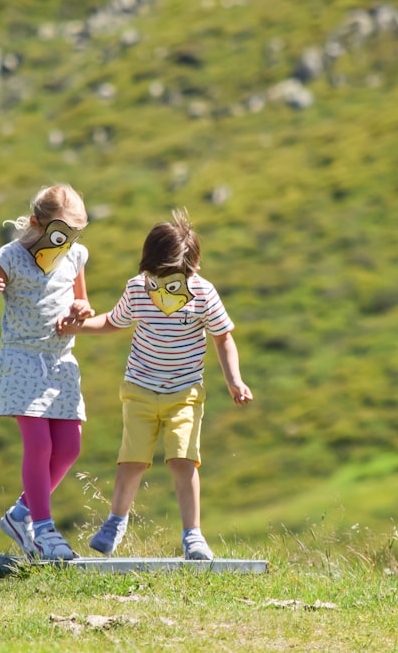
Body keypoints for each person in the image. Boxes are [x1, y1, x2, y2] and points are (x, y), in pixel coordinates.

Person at [57, 208, 252, 560]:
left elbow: (223, 337)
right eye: (157, 277)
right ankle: (116, 522)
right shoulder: (137, 289)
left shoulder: (203, 294)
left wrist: (234, 381)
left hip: (184, 394)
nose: (163, 285)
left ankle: (193, 536)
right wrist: (77, 328)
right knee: (131, 460)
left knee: (183, 460)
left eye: (172, 277)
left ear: (191, 268)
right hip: (140, 391)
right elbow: (114, 322)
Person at [0, 183, 94, 561]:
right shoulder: (8, 257)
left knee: (69, 448)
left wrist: (81, 312)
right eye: (60, 233)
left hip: (61, 362)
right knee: (39, 445)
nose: (67, 241)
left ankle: (20, 514)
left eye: (74, 234)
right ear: (37, 224)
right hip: (22, 360)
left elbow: (82, 300)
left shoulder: (75, 255)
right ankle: (43, 530)